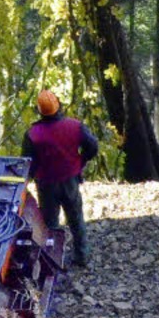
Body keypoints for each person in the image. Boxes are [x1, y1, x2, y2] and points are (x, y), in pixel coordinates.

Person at [22, 89, 98, 266]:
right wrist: (81, 160)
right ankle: (82, 256)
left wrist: (31, 178)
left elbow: (27, 163)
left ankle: (52, 259)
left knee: (49, 223)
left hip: (46, 184)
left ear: (39, 110)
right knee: (76, 217)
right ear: (59, 106)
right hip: (70, 179)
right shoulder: (75, 126)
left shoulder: (33, 134)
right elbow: (93, 147)